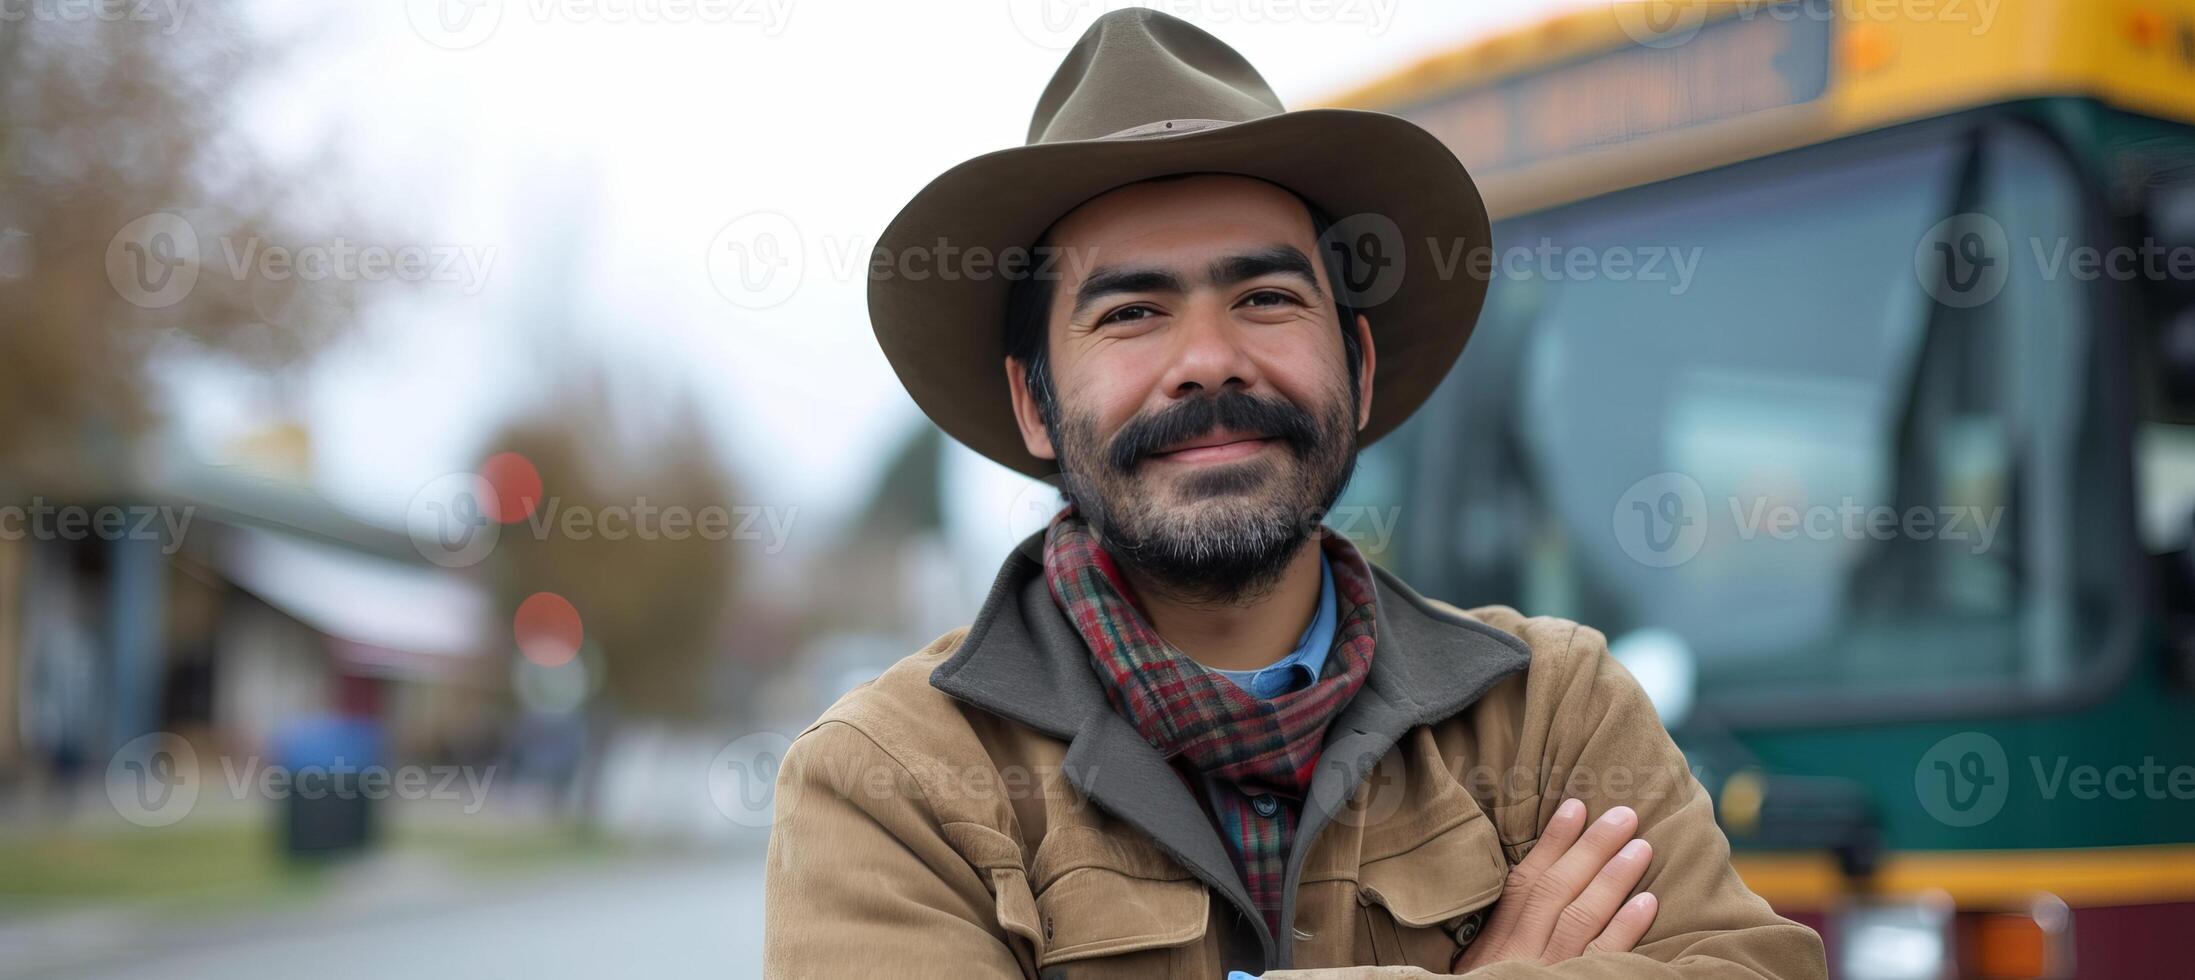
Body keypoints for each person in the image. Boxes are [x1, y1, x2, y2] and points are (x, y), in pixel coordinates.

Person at [764, 9, 1826, 978]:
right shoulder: (891, 779)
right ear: (1034, 406)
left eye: (1264, 297)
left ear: (1356, 369)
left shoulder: (1553, 710)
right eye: (1132, 313)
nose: (1209, 361)